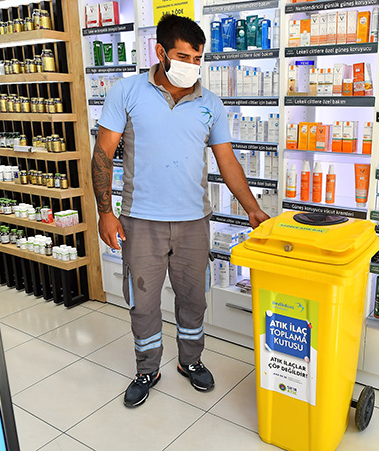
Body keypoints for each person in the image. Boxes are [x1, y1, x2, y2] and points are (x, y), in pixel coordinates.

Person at [91, 14, 270, 408]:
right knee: (143, 303)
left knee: (193, 299)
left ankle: (190, 361)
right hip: (141, 221)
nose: (192, 65)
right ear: (160, 52)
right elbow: (102, 153)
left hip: (193, 222)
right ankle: (147, 369)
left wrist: (252, 209)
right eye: (183, 56)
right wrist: (105, 212)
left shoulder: (210, 103)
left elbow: (227, 160)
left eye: (198, 58)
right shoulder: (127, 91)